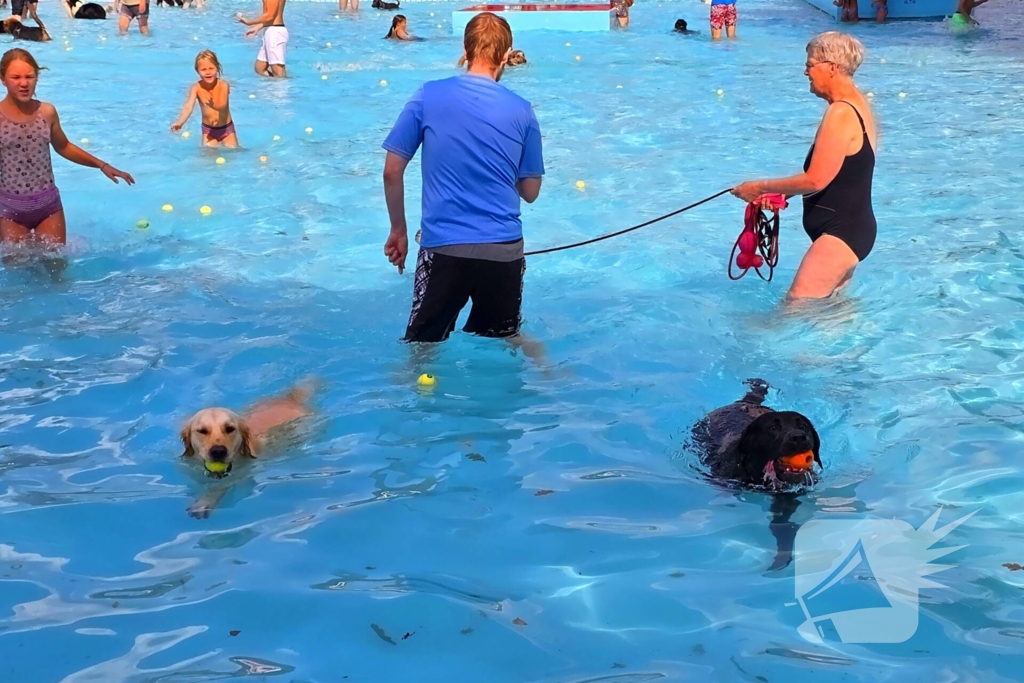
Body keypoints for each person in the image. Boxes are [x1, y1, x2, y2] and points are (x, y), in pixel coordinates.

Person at [382, 12, 544, 344]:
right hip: (503, 250)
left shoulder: (428, 95)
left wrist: (398, 229)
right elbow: (531, 191)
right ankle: (548, 373)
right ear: (505, 54)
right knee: (505, 341)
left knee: (421, 348)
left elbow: (392, 170)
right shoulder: (523, 109)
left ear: (465, 49)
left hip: (444, 248)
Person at [732, 32, 876, 300]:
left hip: (840, 233)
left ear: (831, 67)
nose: (805, 72)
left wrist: (757, 187)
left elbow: (815, 180)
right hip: (850, 229)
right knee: (831, 317)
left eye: (810, 65)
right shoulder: (857, 105)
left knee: (794, 313)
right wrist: (780, 194)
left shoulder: (842, 113)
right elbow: (841, 173)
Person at [0, 49, 134, 247]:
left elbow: (63, 146)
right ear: (3, 79)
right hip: (11, 210)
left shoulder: (46, 112)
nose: (24, 83)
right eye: (16, 77)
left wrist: (102, 165)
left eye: (30, 76)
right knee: (18, 270)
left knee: (57, 269)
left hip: (48, 207)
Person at [171, 51, 238, 148]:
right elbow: (188, 106)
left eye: (211, 68)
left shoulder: (223, 85)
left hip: (226, 129)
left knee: (234, 152)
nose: (208, 72)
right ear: (197, 71)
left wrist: (212, 105)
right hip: (208, 131)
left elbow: (222, 105)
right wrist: (180, 122)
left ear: (217, 68)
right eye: (203, 69)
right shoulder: (196, 87)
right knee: (207, 156)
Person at [237, 0, 288, 78]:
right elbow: (274, 15)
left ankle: (283, 87)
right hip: (272, 30)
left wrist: (250, 22)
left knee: (278, 70)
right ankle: (276, 85)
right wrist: (258, 27)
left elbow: (270, 15)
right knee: (260, 68)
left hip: (275, 33)